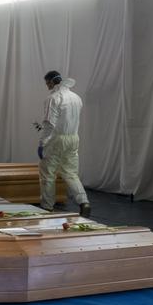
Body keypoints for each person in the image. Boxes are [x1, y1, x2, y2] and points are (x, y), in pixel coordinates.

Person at [37, 70, 91, 216]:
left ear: (51, 82)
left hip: (57, 139)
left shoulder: (53, 98)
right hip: (73, 138)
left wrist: (42, 143)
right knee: (71, 173)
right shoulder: (76, 98)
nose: (47, 86)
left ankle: (47, 207)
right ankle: (84, 202)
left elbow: (49, 124)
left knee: (48, 174)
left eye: (47, 83)